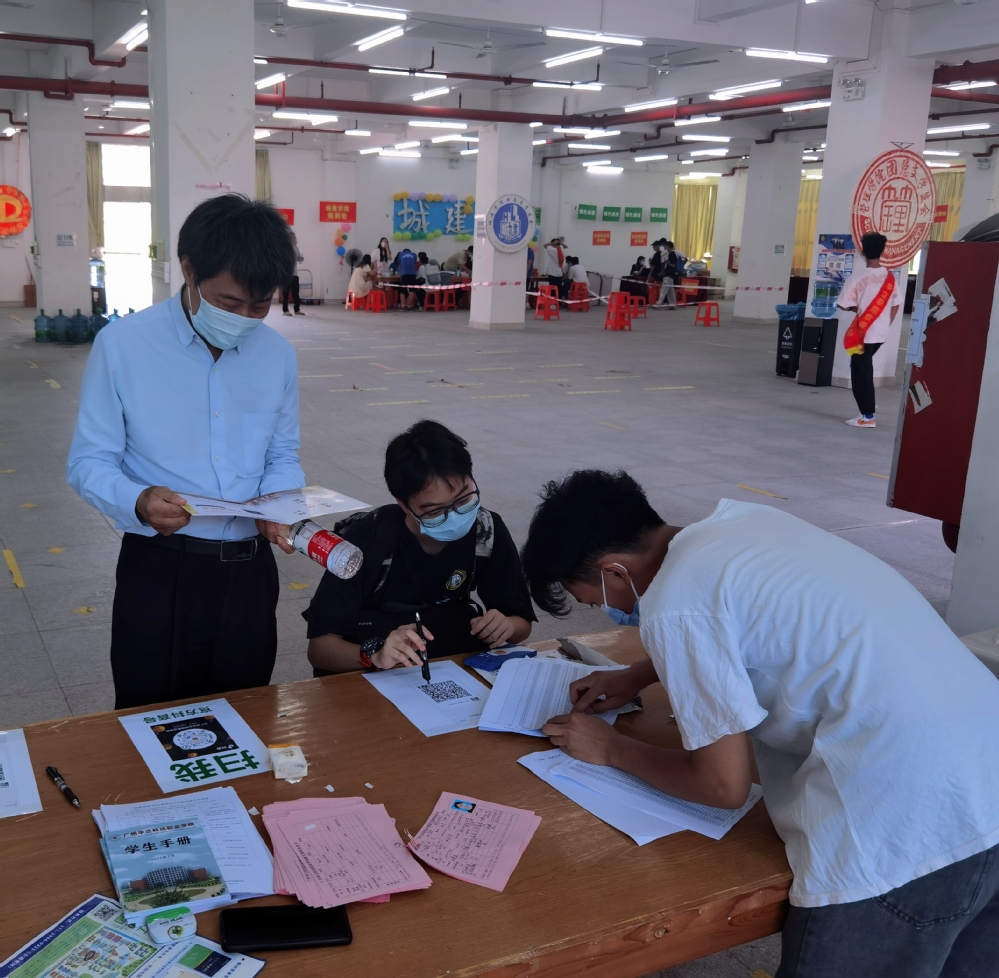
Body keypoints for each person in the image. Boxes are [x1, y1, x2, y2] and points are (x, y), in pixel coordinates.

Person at [519, 469, 999, 978]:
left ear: (616, 571)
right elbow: (767, 623)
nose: (608, 612)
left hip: (906, 827)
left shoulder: (675, 603)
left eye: (596, 602)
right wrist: (641, 673)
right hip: (985, 769)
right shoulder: (746, 525)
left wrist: (610, 748)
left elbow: (721, 786)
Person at [67, 193, 303, 709]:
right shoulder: (124, 345)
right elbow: (88, 462)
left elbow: (282, 454)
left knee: (245, 715)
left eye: (260, 306)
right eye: (229, 304)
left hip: (249, 575)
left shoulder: (276, 355)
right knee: (149, 718)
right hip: (161, 568)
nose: (245, 318)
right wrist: (137, 500)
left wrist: (280, 502)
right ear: (189, 271)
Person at [304, 420, 536, 675]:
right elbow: (320, 649)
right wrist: (374, 655)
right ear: (404, 505)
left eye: (464, 499)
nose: (455, 516)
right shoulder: (364, 542)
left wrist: (506, 626)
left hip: (448, 670)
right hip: (371, 678)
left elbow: (521, 624)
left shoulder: (486, 531)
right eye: (435, 511)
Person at [837, 232, 901, 428]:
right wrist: (885, 324)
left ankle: (867, 416)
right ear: (882, 251)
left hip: (863, 334)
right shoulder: (889, 277)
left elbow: (843, 304)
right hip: (880, 333)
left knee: (861, 373)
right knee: (864, 368)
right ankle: (868, 405)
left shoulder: (857, 277)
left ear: (862, 251)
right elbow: (896, 304)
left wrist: (857, 308)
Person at [281, 231, 304, 316]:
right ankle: (285, 310)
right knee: (286, 293)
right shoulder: (285, 248)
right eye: (293, 237)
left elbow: (297, 259)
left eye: (295, 237)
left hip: (295, 274)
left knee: (296, 293)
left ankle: (297, 309)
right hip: (287, 274)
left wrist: (300, 259)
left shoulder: (296, 248)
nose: (294, 239)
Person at [652, 240, 678, 309]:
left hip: (669, 275)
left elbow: (673, 265)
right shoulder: (668, 255)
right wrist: (662, 271)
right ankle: (672, 304)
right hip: (668, 274)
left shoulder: (672, 254)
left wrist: (667, 263)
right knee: (670, 291)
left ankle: (659, 303)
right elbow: (667, 266)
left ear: (668, 246)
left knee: (663, 289)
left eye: (665, 246)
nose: (664, 247)